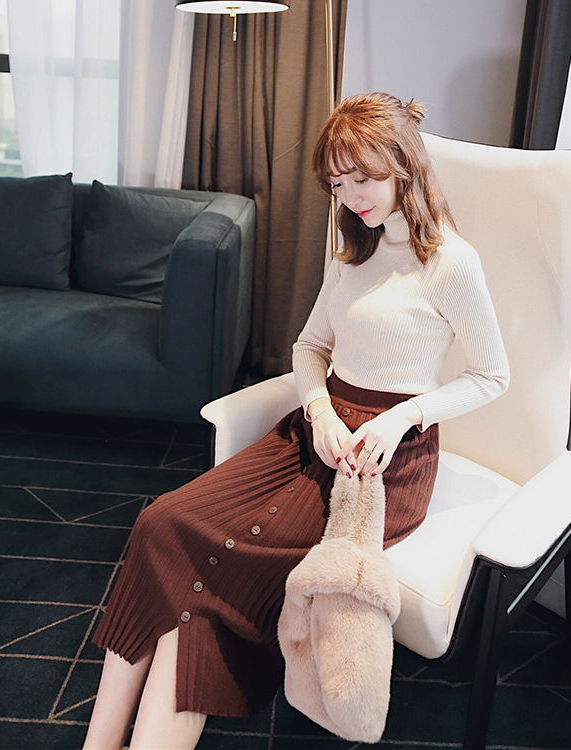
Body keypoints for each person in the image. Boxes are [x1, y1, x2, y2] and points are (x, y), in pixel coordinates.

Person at [83, 91, 509, 750]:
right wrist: (318, 411)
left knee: (207, 582)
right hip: (314, 432)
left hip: (382, 465)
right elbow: (310, 347)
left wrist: (403, 419)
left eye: (362, 179)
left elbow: (492, 376)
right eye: (337, 185)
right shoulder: (352, 251)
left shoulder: (451, 262)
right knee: (160, 522)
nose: (350, 198)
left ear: (403, 163)